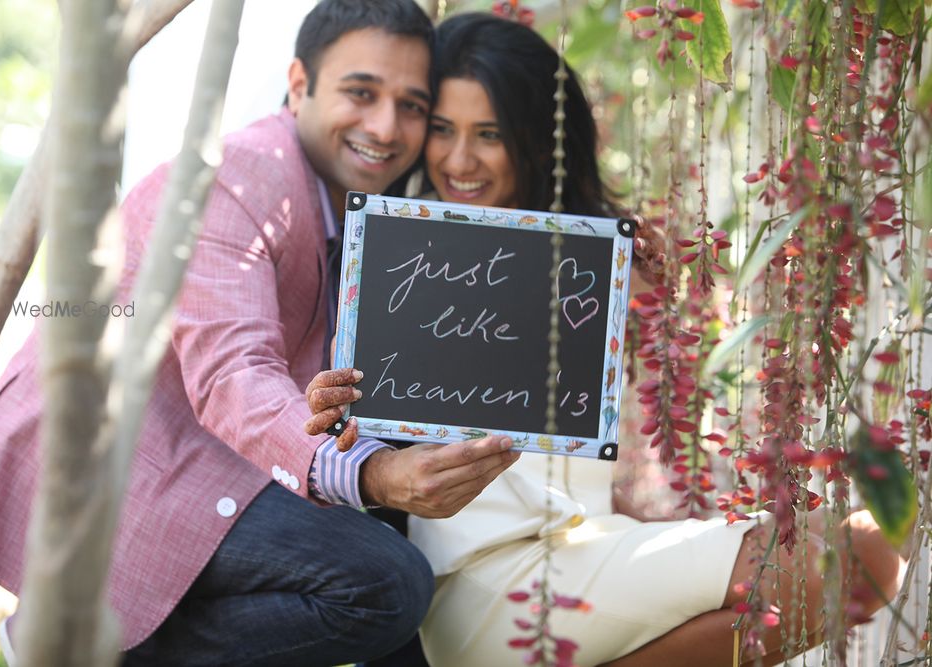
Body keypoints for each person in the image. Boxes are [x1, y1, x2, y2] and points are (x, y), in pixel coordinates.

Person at [304, 12, 905, 667]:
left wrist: (657, 301)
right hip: (478, 581)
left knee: (866, 550)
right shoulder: (390, 257)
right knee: (860, 556)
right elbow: (328, 452)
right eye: (443, 130)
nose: (459, 159)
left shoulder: (601, 258)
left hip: (591, 547)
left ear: (536, 139)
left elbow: (690, 423)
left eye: (490, 134)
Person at [0, 3, 523, 665]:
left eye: (412, 106)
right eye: (361, 92)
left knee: (386, 521)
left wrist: (613, 271)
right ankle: (93, 651)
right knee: (385, 582)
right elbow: (233, 374)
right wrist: (379, 473)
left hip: (210, 451)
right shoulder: (242, 177)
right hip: (123, 456)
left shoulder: (361, 199)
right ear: (299, 83)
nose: (386, 127)